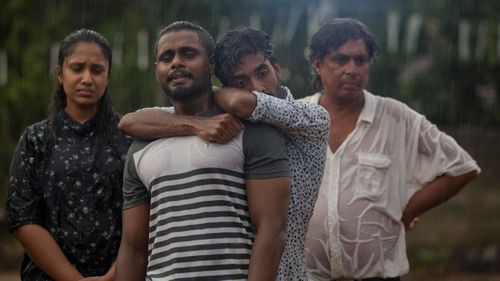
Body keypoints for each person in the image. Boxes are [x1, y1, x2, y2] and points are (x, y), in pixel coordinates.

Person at [117, 27, 331, 281]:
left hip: (285, 273)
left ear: (277, 67)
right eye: (242, 82)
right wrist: (196, 122)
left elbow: (244, 103)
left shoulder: (311, 117)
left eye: (262, 72)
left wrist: (215, 91)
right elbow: (129, 121)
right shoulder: (225, 121)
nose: (257, 88)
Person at [302, 18, 481, 280]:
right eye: (340, 60)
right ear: (317, 64)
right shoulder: (296, 118)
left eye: (360, 60)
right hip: (306, 275)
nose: (352, 69)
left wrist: (405, 211)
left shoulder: (397, 118)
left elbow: (462, 167)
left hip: (378, 275)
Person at [6, 29, 131, 281]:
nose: (87, 78)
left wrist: (116, 273)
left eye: (97, 70)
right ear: (60, 74)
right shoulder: (35, 140)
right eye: (77, 68)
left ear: (108, 77)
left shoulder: (128, 138)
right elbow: (22, 217)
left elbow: (145, 213)